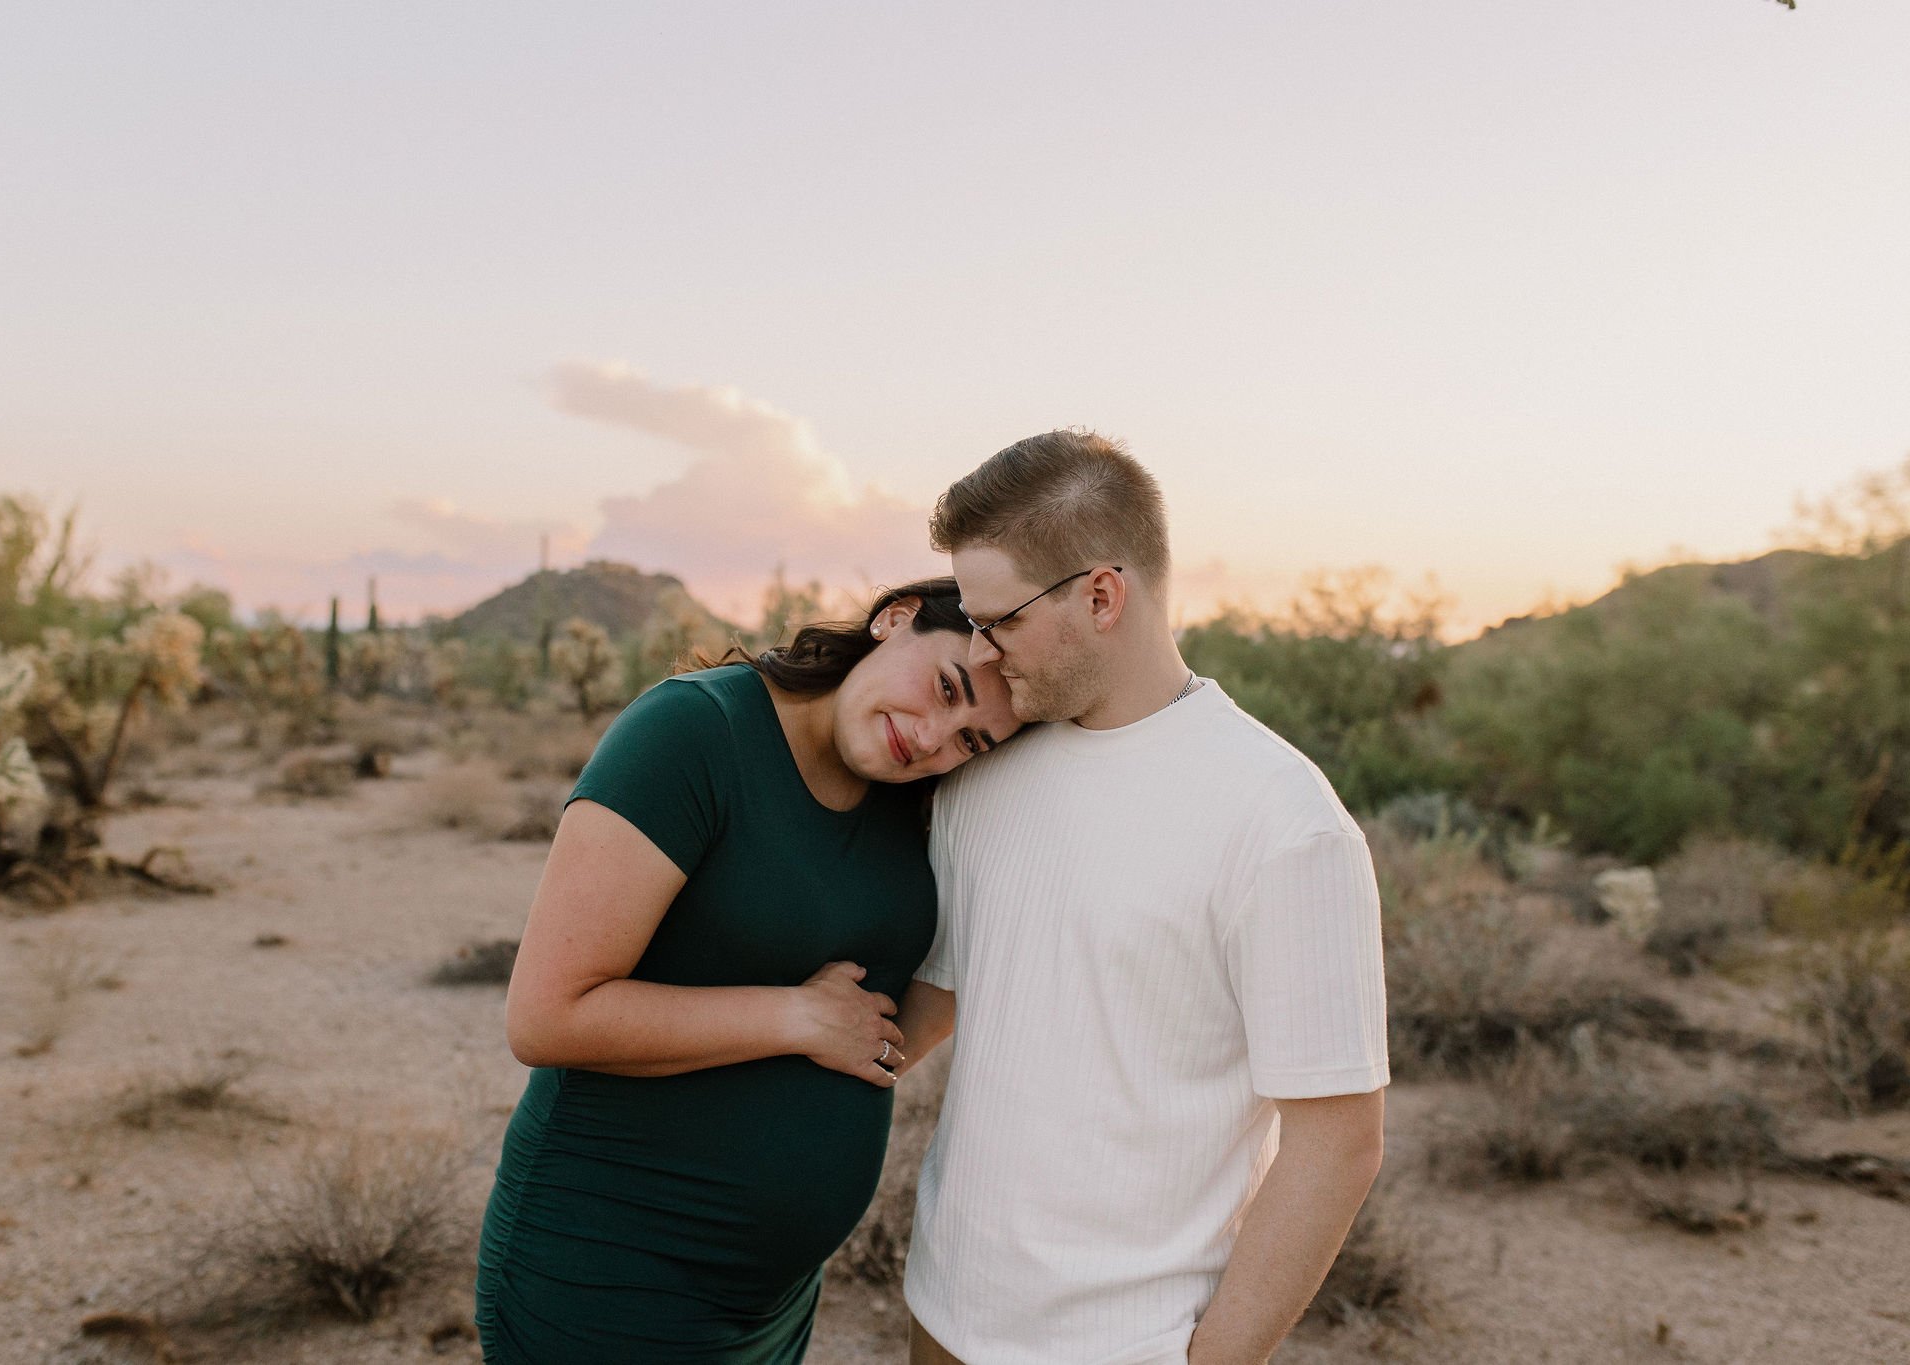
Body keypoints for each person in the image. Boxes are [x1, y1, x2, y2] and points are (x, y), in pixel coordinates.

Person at [891, 431, 1389, 1365]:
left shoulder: (1283, 820)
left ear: (1101, 596)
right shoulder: (982, 772)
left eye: (1000, 621)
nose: (980, 651)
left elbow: (1338, 1141)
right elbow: (946, 993)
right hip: (942, 1312)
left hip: (1129, 1343)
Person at [476, 578, 1022, 1364]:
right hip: (610, 1270)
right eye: (945, 687)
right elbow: (546, 1016)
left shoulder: (910, 793)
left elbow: (889, 1009)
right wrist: (796, 1018)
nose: (932, 736)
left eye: (971, 739)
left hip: (771, 1304)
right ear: (894, 619)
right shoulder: (693, 731)